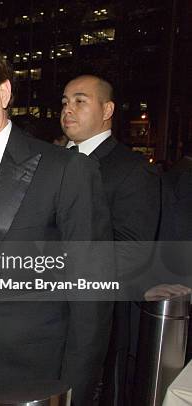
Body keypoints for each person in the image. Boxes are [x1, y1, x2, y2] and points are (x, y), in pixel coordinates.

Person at [0, 39, 113, 406]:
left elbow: (92, 299)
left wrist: (73, 394)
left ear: (3, 92)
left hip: (33, 384)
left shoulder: (68, 170)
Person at [61, 74, 162, 405]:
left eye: (80, 100)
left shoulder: (131, 169)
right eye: (64, 102)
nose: (68, 109)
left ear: (107, 109)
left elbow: (131, 252)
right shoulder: (50, 162)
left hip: (98, 322)